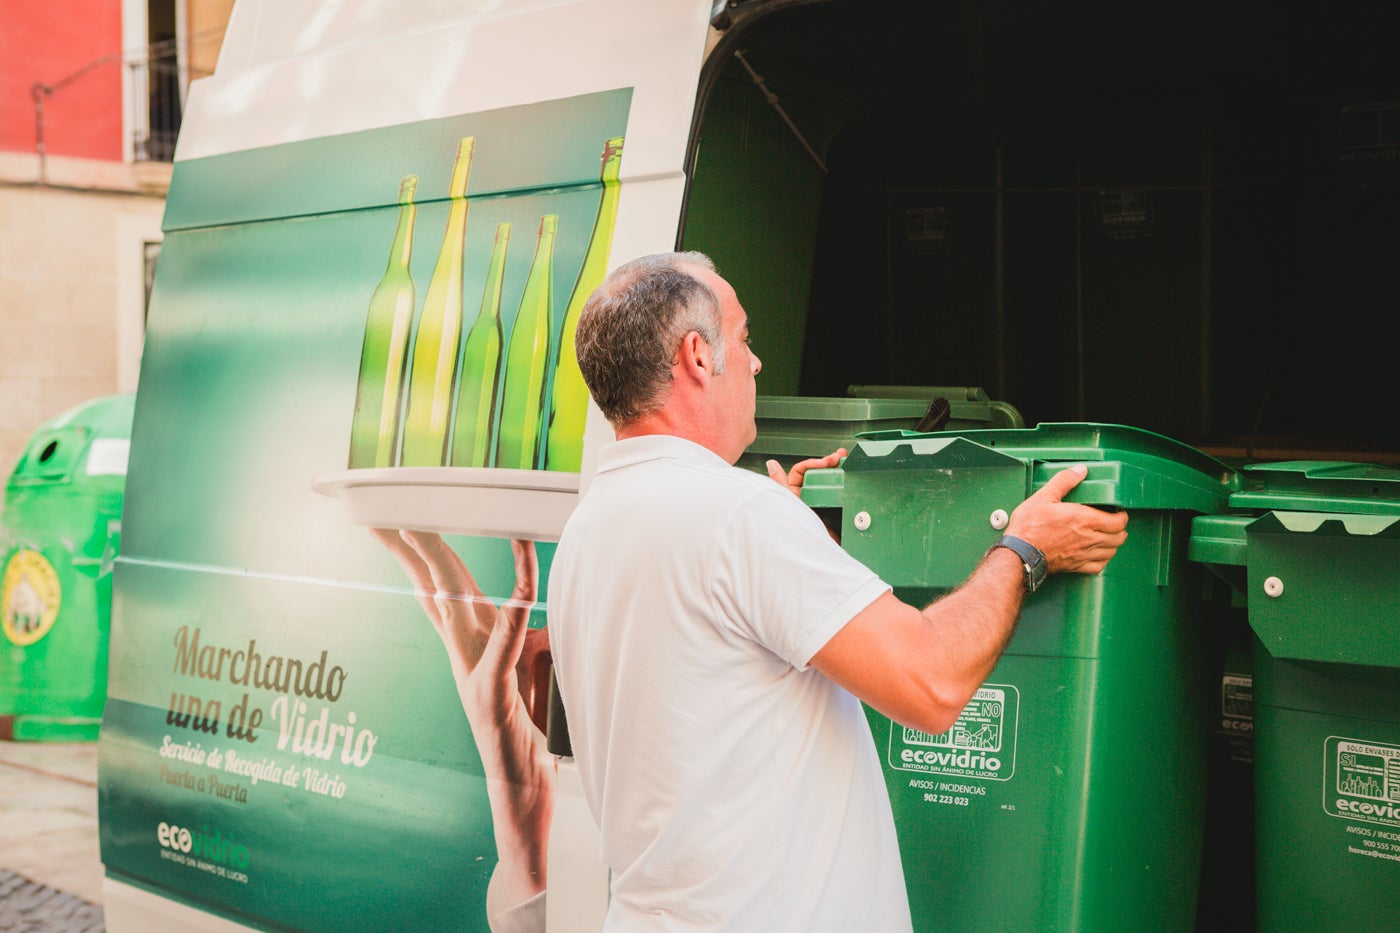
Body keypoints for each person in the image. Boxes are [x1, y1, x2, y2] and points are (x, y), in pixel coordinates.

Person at [547, 251, 1129, 932]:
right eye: (744, 337)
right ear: (698, 356)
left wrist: (799, 538)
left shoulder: (590, 526)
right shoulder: (741, 517)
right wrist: (1024, 549)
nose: (756, 362)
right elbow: (932, 683)